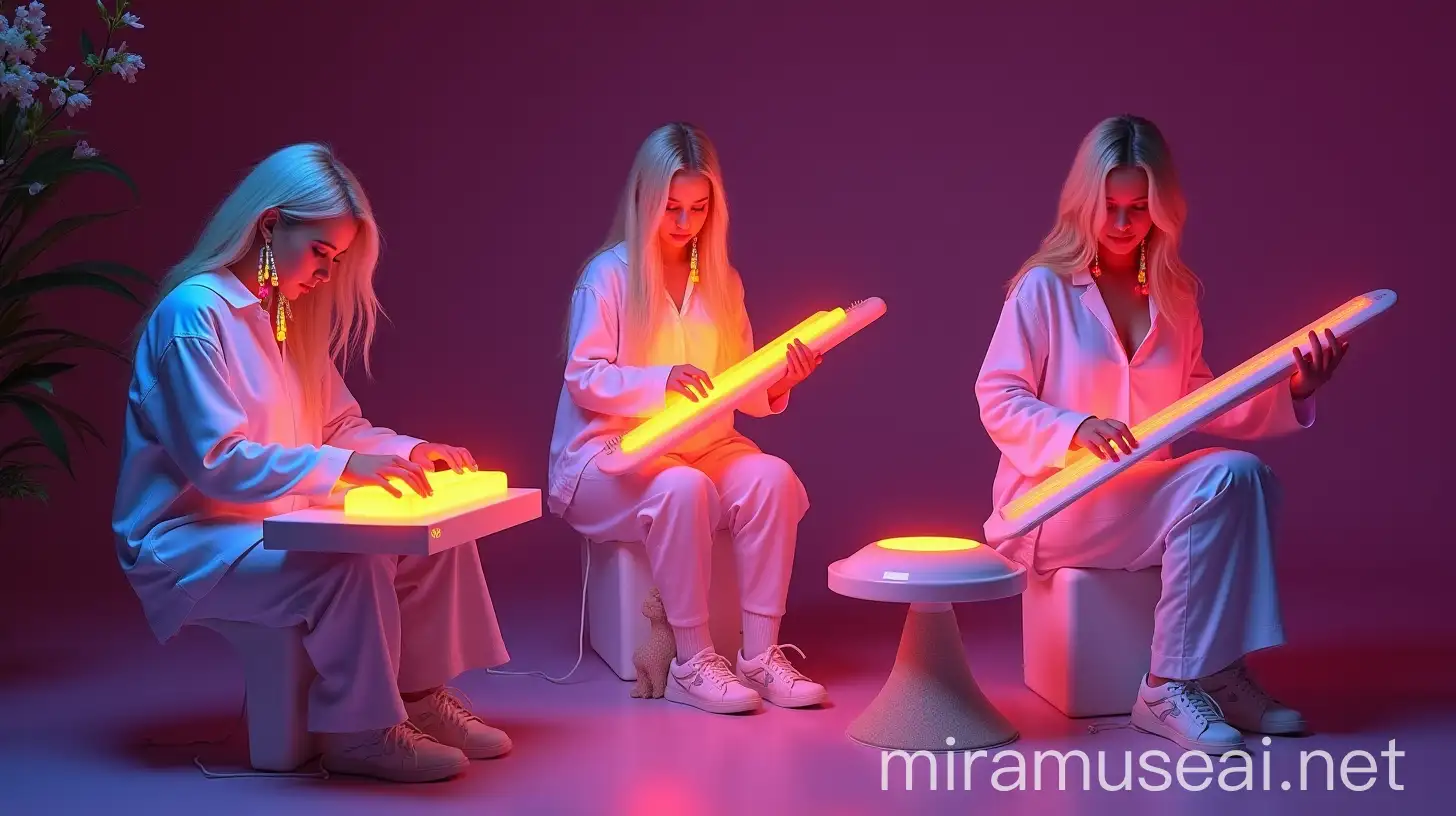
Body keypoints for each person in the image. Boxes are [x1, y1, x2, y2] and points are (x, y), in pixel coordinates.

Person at [113, 143, 512, 783]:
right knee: (344, 566)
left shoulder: (281, 317)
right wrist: (348, 468)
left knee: (435, 529)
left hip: (268, 520)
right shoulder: (194, 316)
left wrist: (411, 454)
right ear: (271, 225)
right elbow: (219, 463)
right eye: (321, 252)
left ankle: (415, 698)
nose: (326, 274)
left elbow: (339, 426)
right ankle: (359, 732)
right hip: (191, 542)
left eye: (337, 258)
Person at [975, 115, 1347, 754]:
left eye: (1139, 208)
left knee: (1245, 476)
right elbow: (997, 397)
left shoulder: (1173, 294)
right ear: (1084, 204)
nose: (1122, 225)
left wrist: (1294, 392)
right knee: (1226, 476)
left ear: (1163, 208)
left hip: (1137, 497)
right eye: (1110, 207)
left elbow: (1199, 401)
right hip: (1054, 505)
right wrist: (1075, 428)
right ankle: (1168, 683)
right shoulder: (1043, 288)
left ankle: (1218, 672)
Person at [548, 122, 826, 714]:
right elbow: (583, 377)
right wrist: (660, 381)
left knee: (771, 478)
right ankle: (692, 661)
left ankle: (760, 655)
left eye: (698, 208)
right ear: (644, 200)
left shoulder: (723, 281)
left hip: (703, 444)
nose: (683, 223)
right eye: (671, 207)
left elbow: (736, 387)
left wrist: (778, 381)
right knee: (681, 487)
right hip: (611, 453)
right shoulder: (609, 276)